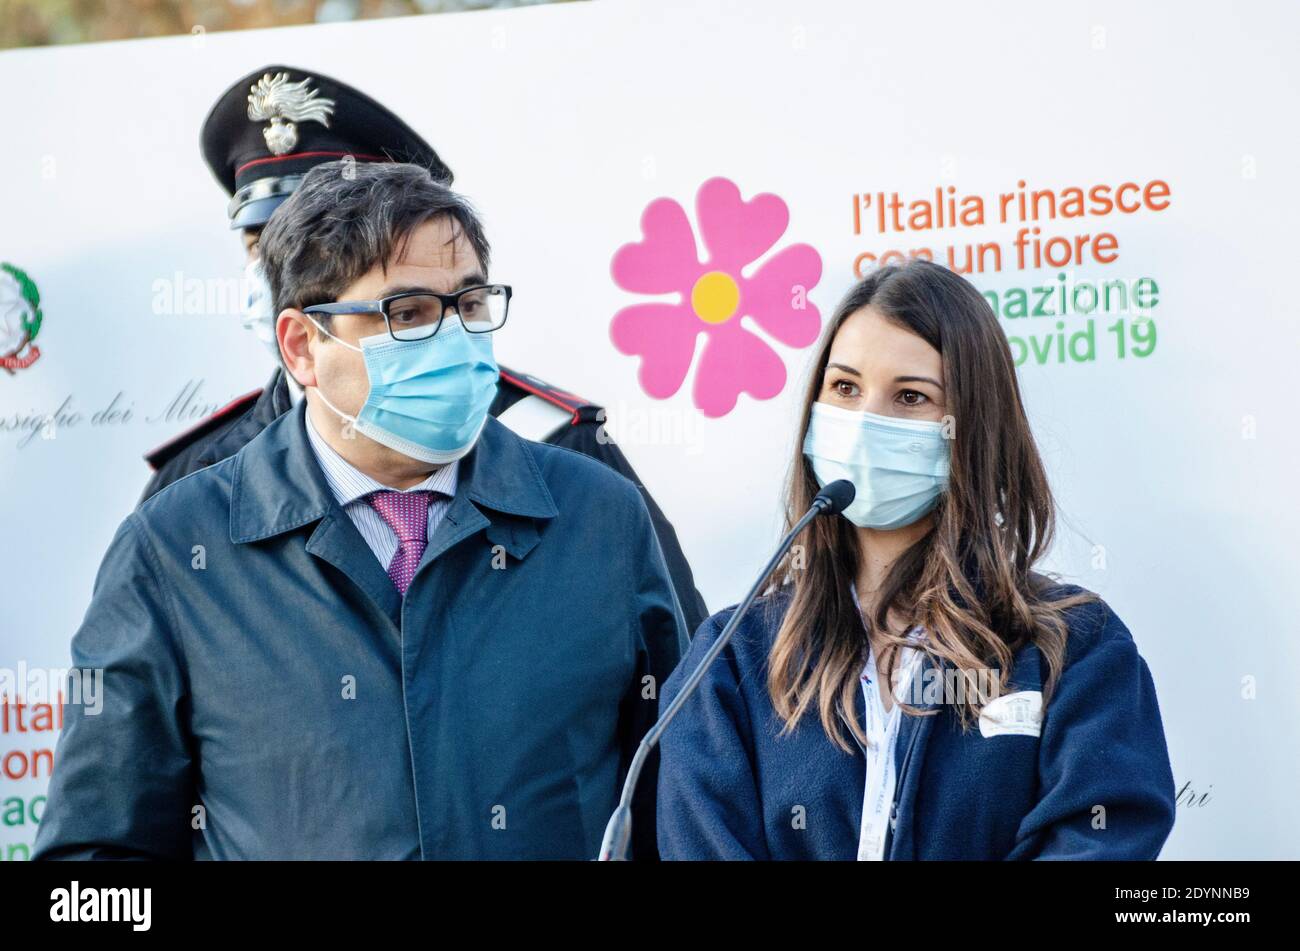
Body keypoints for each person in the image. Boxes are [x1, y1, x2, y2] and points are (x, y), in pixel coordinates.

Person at [34, 162, 686, 860]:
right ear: (302, 346)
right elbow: (89, 874)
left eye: (468, 304)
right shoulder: (172, 549)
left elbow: (683, 805)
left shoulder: (597, 518)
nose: (453, 337)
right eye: (405, 313)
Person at [140, 64, 709, 635]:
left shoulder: (561, 453)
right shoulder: (195, 488)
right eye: (260, 242)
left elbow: (681, 696)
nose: (280, 267)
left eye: (319, 240)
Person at [656, 260, 1176, 860]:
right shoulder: (730, 660)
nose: (865, 422)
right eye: (845, 388)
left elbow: (1101, 837)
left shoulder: (1076, 647)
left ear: (973, 427)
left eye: (910, 397)